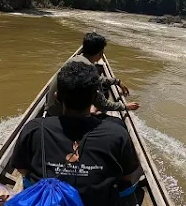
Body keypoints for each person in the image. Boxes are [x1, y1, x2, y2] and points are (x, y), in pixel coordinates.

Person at [10, 61, 143, 205]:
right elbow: (127, 176)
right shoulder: (117, 133)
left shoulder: (34, 128)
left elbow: (22, 168)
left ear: (57, 97)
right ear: (95, 98)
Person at [46, 32, 140, 116]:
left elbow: (99, 79)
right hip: (61, 115)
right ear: (100, 53)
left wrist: (116, 81)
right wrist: (125, 106)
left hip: (51, 109)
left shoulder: (75, 60)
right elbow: (103, 103)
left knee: (101, 88)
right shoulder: (89, 69)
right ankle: (93, 110)